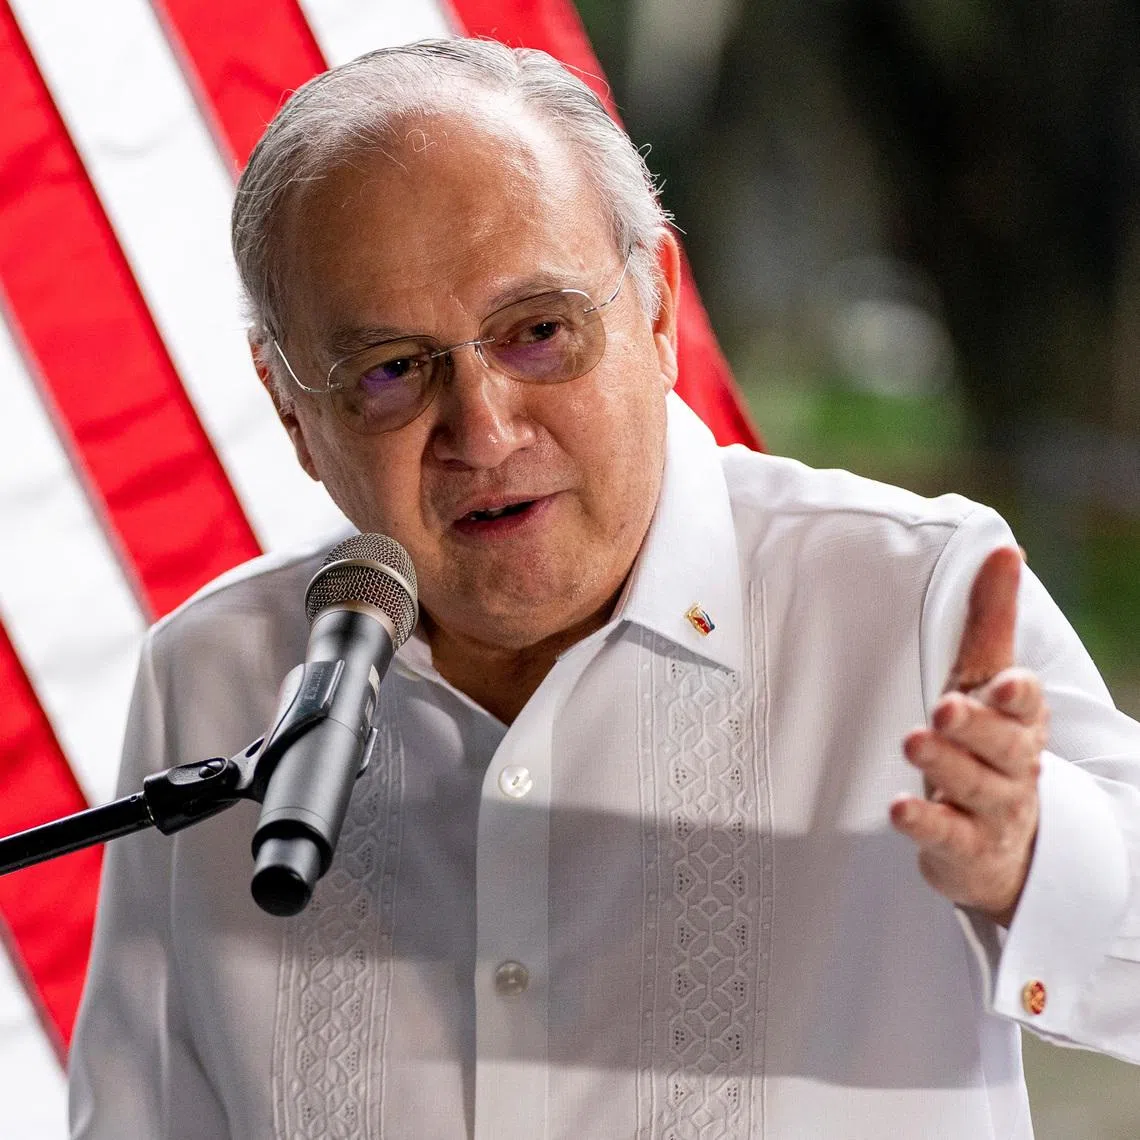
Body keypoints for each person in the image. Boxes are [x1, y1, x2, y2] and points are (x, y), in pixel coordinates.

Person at [69, 38, 1140, 1140]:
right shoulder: (214, 675)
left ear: (659, 308)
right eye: (390, 370)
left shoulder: (907, 597)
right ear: (292, 412)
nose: (484, 431)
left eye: (539, 332)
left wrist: (1036, 859)